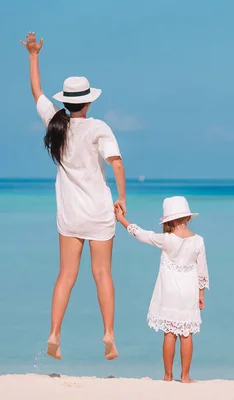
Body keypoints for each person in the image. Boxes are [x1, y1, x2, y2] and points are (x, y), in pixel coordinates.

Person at [21, 32, 126, 361]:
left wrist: (33, 55)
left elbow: (37, 92)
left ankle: (54, 332)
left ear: (65, 100)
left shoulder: (55, 123)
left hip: (69, 213)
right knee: (103, 274)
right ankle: (108, 333)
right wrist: (121, 197)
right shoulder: (99, 128)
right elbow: (116, 162)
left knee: (66, 275)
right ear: (89, 101)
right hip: (98, 212)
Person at [115, 196, 209, 383]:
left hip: (169, 292)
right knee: (187, 333)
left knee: (169, 333)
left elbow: (140, 234)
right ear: (188, 218)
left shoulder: (165, 240)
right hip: (189, 291)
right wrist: (201, 294)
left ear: (167, 220)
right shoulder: (198, 241)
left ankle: (167, 376)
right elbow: (202, 271)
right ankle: (186, 376)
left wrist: (121, 219)